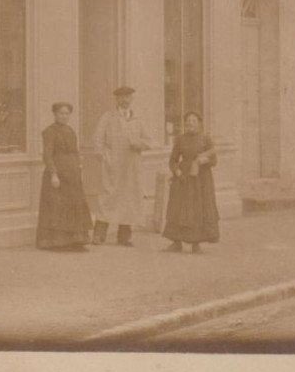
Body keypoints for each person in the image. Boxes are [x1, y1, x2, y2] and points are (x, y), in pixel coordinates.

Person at [92, 86, 152, 246]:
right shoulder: (108, 117)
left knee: (129, 199)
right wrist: (105, 158)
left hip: (131, 166)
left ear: (132, 99)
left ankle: (124, 236)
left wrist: (139, 145)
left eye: (128, 97)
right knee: (108, 198)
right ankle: (99, 234)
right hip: (113, 165)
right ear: (116, 99)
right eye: (121, 97)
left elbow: (149, 141)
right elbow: (98, 141)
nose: (125, 100)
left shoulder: (137, 118)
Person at [35, 102, 92, 252]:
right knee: (58, 206)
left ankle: (75, 240)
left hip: (72, 174)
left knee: (74, 205)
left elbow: (75, 152)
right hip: (58, 174)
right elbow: (47, 155)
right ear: (55, 114)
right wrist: (53, 174)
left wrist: (80, 167)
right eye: (61, 113)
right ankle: (57, 242)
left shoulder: (71, 131)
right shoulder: (49, 131)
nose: (65, 116)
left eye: (67, 114)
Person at [162, 110, 220, 253]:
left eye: (193, 121)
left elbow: (214, 160)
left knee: (198, 209)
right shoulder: (180, 140)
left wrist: (203, 160)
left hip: (201, 180)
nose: (190, 123)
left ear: (199, 123)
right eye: (188, 121)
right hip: (183, 179)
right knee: (179, 209)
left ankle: (196, 244)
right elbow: (173, 160)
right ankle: (176, 242)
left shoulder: (206, 139)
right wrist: (177, 171)